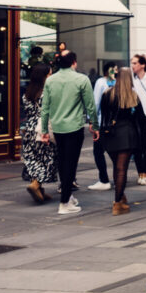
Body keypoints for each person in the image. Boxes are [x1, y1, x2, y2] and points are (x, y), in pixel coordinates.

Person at [39, 51, 98, 215]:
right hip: (74, 127)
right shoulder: (82, 79)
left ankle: (68, 196)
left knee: (63, 161)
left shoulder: (50, 80)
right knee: (70, 164)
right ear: (74, 62)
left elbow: (45, 109)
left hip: (58, 127)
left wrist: (44, 130)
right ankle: (64, 202)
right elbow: (90, 106)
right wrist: (95, 124)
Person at [98, 65, 146, 216]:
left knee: (116, 168)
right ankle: (117, 202)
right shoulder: (133, 96)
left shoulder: (107, 94)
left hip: (110, 135)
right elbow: (141, 119)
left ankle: (121, 196)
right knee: (122, 169)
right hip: (127, 135)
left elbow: (104, 116)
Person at [20, 63, 57, 204]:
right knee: (47, 157)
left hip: (29, 128)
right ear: (44, 76)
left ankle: (40, 190)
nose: (51, 76)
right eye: (49, 74)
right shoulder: (46, 92)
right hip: (42, 128)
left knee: (33, 158)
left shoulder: (28, 93)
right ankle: (35, 184)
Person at [87, 66, 116, 192]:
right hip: (115, 123)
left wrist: (92, 120)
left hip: (102, 123)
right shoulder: (118, 82)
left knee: (98, 152)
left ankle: (104, 179)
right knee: (114, 152)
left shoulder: (100, 82)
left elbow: (96, 103)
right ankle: (118, 177)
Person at [129, 54, 146, 185]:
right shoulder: (131, 82)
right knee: (137, 147)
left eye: (135, 63)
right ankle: (141, 174)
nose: (132, 66)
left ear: (142, 65)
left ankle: (145, 173)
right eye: (132, 63)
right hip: (135, 116)